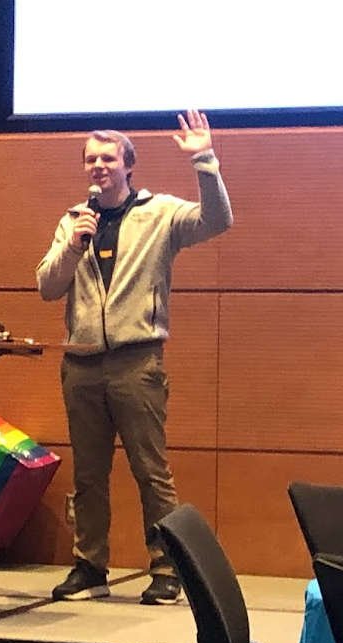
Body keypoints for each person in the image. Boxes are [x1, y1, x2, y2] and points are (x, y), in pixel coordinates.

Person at [36, 110, 233, 605]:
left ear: (128, 165)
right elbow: (47, 286)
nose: (98, 166)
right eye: (91, 159)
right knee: (88, 475)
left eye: (108, 158)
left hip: (137, 361)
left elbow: (217, 220)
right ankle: (90, 568)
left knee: (151, 472)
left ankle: (167, 569)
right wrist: (73, 248)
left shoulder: (159, 213)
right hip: (81, 363)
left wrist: (204, 160)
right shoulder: (73, 221)